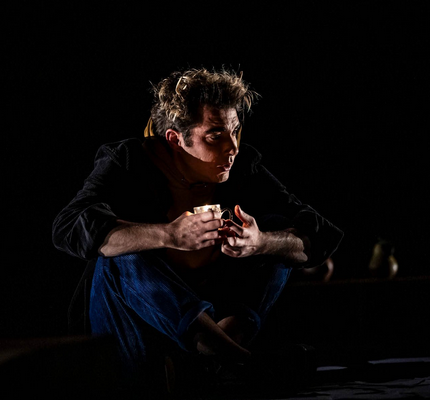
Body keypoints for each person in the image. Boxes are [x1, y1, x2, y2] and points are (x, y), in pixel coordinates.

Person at [52, 67, 343, 394]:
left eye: (235, 131)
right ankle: (233, 360)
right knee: (123, 251)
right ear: (175, 140)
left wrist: (261, 242)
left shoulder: (243, 167)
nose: (232, 147)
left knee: (276, 233)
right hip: (128, 327)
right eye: (215, 136)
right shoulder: (129, 161)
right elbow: (68, 226)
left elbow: (321, 235)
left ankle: (217, 357)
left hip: (218, 321)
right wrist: (169, 235)